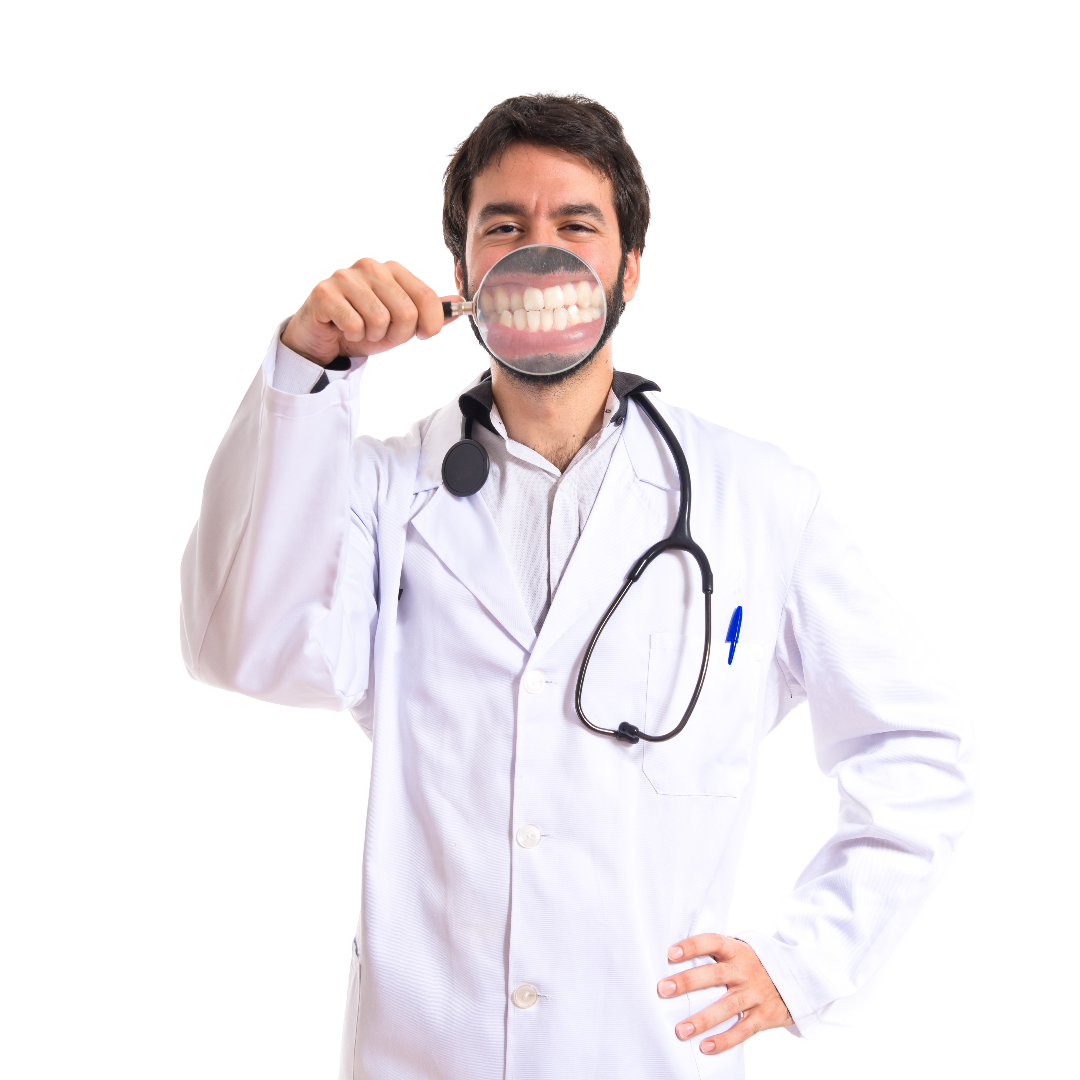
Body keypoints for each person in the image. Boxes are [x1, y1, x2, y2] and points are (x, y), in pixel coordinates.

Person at [179, 91, 978, 1079]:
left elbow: (920, 742)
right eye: (503, 228)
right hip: (425, 1059)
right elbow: (241, 648)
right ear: (462, 273)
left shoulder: (754, 495)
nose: (539, 252)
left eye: (577, 225)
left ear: (629, 268)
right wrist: (310, 371)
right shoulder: (380, 489)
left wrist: (809, 963)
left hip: (649, 1051)